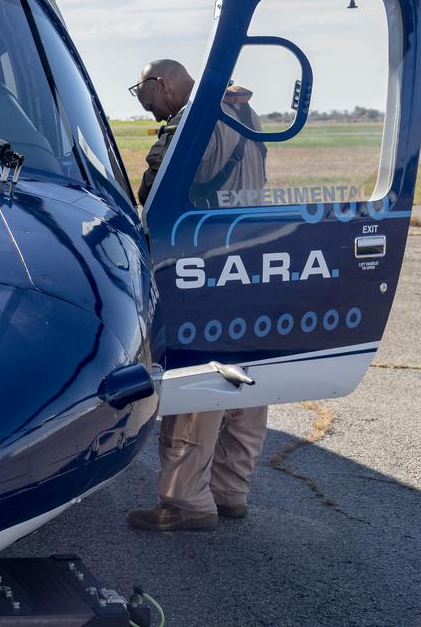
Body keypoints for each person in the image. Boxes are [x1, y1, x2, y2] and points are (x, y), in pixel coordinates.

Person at [127, 58, 269, 531]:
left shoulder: (186, 127)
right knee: (245, 379)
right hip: (252, 258)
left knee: (198, 379)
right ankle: (230, 492)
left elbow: (153, 196)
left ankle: (185, 501)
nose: (150, 113)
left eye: (146, 99)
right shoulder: (244, 112)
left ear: (162, 85)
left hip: (202, 265)